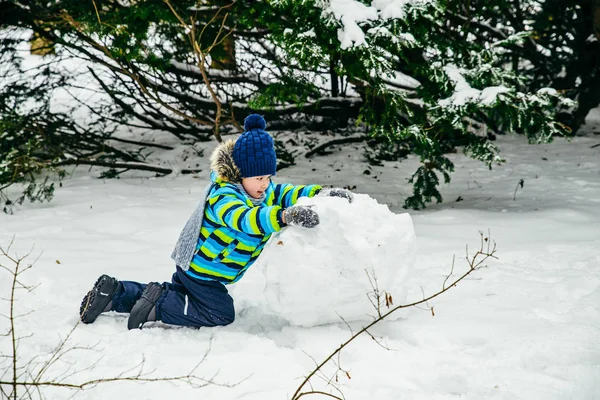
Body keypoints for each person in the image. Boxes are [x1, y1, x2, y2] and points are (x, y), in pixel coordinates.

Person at [79, 114, 353, 330]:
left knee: (182, 296)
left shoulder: (262, 190)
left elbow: (285, 193)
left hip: (206, 271)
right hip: (202, 271)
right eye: (259, 178)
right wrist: (283, 216)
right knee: (219, 313)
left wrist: (319, 193)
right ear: (241, 173)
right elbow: (245, 220)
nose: (265, 184)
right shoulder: (223, 196)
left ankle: (113, 293)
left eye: (268, 177)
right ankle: (158, 303)